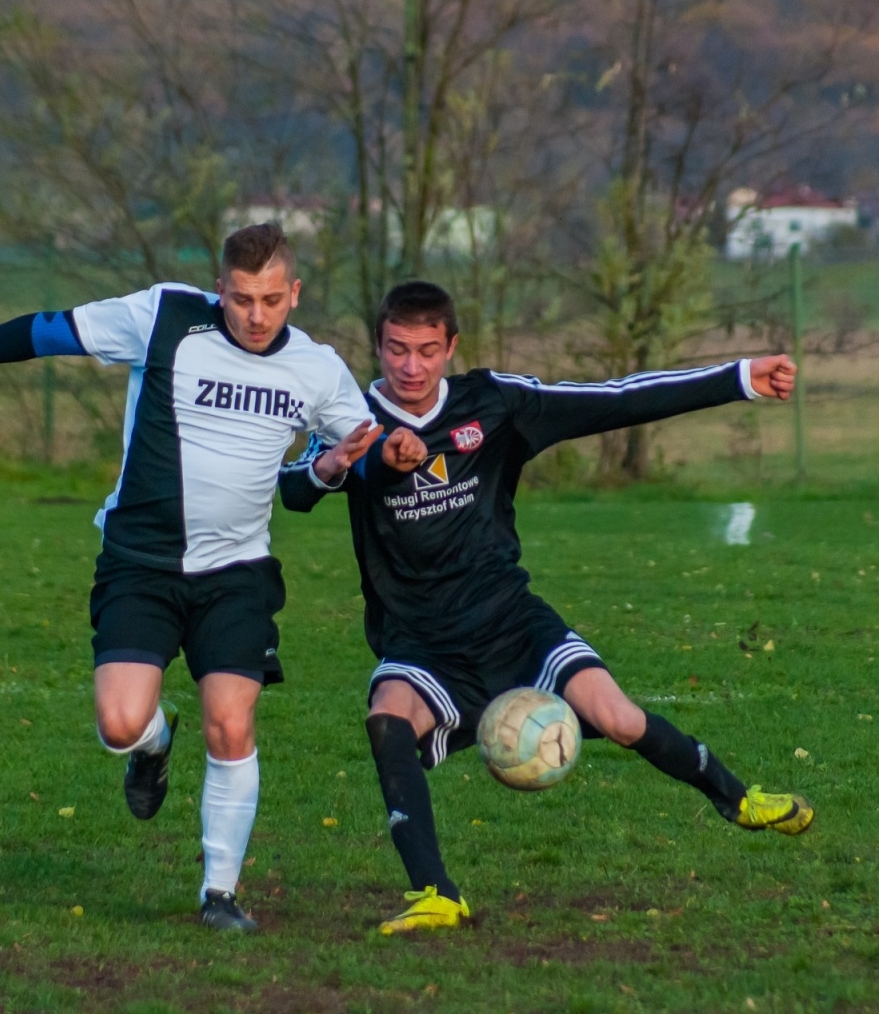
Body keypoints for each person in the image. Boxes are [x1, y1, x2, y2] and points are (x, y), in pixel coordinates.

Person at [0, 225, 424, 931]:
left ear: (294, 293)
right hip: (140, 563)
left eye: (271, 300)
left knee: (231, 722)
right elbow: (53, 333)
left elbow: (347, 458)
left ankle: (221, 894)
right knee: (118, 723)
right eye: (240, 299)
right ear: (219, 289)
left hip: (236, 573)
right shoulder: (167, 316)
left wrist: (361, 463)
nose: (256, 315)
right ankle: (152, 746)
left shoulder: (317, 369)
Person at [280, 280, 813, 935]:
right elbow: (295, 492)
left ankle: (738, 800)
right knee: (386, 719)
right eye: (396, 351)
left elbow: (613, 400)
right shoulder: (349, 415)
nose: (411, 367)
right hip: (422, 643)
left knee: (617, 718)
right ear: (378, 347)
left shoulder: (495, 403)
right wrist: (339, 461)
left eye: (426, 350)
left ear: (451, 347)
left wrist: (737, 378)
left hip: (514, 625)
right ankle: (437, 895)